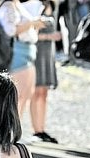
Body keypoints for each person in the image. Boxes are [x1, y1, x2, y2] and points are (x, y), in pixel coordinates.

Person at [0, 0, 45, 134]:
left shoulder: (16, 5)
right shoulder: (7, 6)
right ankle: (10, 132)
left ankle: (15, 130)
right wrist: (32, 24)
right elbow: (10, 30)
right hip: (18, 52)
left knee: (26, 94)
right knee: (17, 96)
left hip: (27, 51)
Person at [29, 0, 60, 143]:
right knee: (36, 92)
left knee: (44, 93)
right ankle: (36, 130)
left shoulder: (51, 5)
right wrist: (49, 36)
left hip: (48, 55)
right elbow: (28, 32)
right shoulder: (33, 5)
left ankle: (41, 128)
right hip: (37, 53)